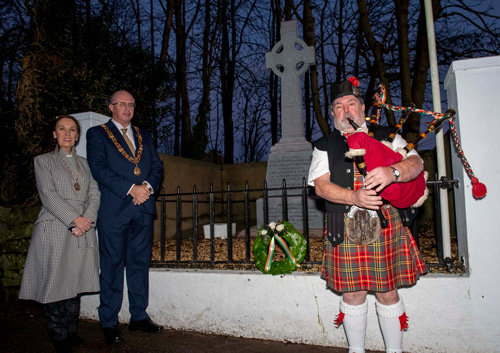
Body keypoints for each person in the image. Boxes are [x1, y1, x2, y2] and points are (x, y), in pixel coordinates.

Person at [308, 77, 427, 353]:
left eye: (351, 104)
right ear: (332, 113)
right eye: (338, 106)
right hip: (345, 226)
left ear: (362, 108)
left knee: (388, 292)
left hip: (388, 226)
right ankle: (356, 351)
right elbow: (321, 185)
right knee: (353, 293)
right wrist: (354, 197)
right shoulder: (324, 145)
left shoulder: (387, 135)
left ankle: (394, 352)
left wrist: (392, 172)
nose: (345, 110)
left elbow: (417, 162)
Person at [86, 90, 164, 344]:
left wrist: (148, 188)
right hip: (114, 210)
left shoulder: (145, 135)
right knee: (112, 266)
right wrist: (132, 189)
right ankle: (108, 321)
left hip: (142, 209)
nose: (127, 108)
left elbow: (156, 166)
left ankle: (139, 316)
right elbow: (99, 169)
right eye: (122, 104)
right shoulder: (97, 134)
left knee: (140, 265)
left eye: (131, 104)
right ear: (111, 107)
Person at [19, 115, 100, 353]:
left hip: (82, 228)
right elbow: (48, 195)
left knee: (74, 283)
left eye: (72, 129)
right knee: (56, 283)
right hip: (54, 226)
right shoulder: (43, 161)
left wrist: (87, 221)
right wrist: (75, 219)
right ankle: (59, 335)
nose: (67, 133)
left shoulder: (86, 164)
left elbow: (94, 194)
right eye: (62, 129)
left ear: (77, 135)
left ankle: (71, 332)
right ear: (54, 134)